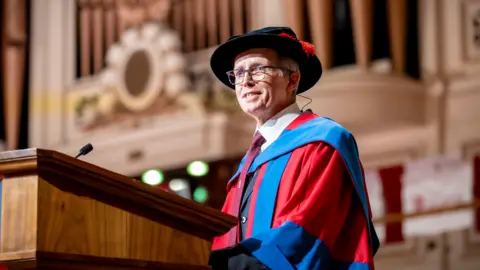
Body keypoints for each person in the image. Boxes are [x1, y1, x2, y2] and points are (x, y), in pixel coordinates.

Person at [208, 26, 379, 270]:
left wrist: (230, 264)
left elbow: (307, 229)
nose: (245, 81)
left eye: (258, 69)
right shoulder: (247, 165)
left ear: (292, 79)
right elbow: (222, 237)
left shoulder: (323, 142)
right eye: (238, 73)